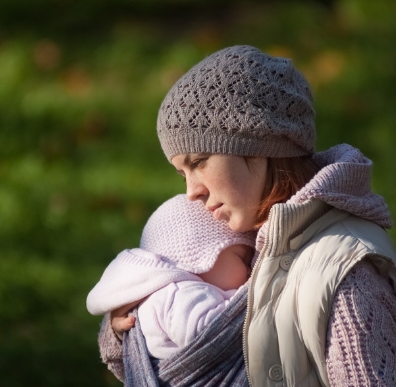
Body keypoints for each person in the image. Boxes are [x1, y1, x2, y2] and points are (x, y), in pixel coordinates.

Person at [96, 45, 395, 386]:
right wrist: (130, 328)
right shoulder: (256, 241)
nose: (191, 191)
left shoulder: (345, 274)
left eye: (199, 162)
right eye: (183, 174)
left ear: (259, 145)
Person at [87, 194, 253, 360]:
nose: (250, 270)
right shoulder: (180, 294)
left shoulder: (168, 292)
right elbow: (212, 333)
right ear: (199, 257)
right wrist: (250, 295)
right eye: (243, 258)